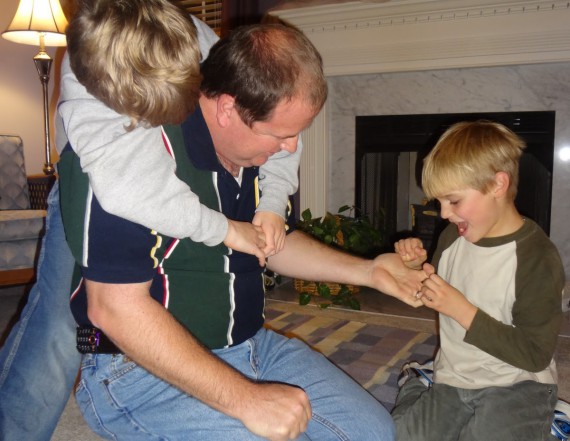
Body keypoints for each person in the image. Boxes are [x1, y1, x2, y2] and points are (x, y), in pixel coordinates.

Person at [59, 20, 427, 441]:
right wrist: (245, 399)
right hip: (139, 371)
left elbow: (271, 244)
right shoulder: (126, 159)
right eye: (281, 135)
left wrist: (369, 271)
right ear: (227, 109)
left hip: (252, 347)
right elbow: (113, 309)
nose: (290, 148)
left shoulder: (254, 158)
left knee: (373, 432)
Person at [0, 6, 298, 440]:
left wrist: (271, 202)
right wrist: (227, 230)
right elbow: (134, 192)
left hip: (159, 170)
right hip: (101, 182)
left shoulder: (203, 46)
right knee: (63, 325)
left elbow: (283, 110)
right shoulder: (93, 104)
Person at [392, 120, 565, 441]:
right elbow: (431, 292)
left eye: (454, 201)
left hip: (517, 383)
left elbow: (535, 355)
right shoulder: (452, 238)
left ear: (498, 185)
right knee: (395, 435)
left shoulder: (537, 258)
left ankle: (549, 420)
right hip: (453, 378)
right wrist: (416, 269)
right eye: (439, 202)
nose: (444, 214)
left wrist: (463, 311)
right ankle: (418, 382)